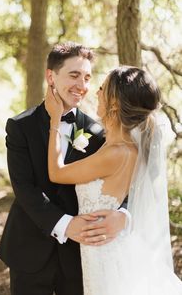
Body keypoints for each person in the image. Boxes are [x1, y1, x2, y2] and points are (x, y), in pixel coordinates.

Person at [0, 42, 129, 295]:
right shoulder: (19, 126)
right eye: (74, 75)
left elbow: (127, 180)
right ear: (51, 76)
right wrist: (66, 224)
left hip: (82, 256)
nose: (82, 85)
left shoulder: (99, 132)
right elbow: (24, 188)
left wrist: (123, 214)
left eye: (88, 77)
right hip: (29, 250)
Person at [45, 66, 182, 295]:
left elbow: (57, 173)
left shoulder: (116, 153)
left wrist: (55, 121)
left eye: (102, 88)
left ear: (115, 104)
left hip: (107, 255)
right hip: (105, 247)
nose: (96, 93)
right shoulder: (124, 146)